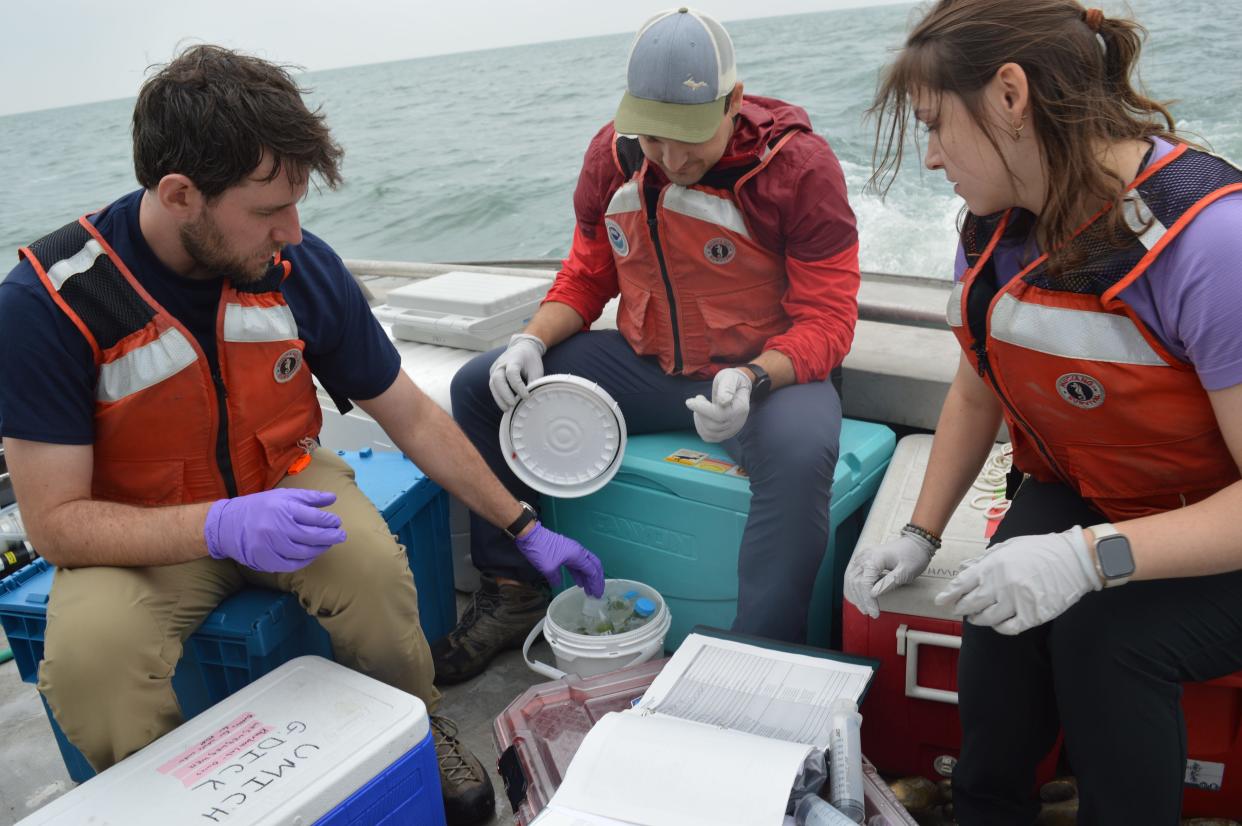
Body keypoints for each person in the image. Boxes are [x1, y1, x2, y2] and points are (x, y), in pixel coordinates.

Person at [0, 45, 604, 826]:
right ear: (181, 193)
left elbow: (410, 413)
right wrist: (216, 525)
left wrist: (521, 525)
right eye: (266, 211)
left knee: (377, 579)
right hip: (137, 527)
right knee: (90, 667)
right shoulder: (49, 303)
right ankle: (184, 806)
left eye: (297, 203)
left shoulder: (299, 266)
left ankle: (417, 728)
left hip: (283, 483)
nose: (292, 231)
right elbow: (54, 525)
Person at [845, 1, 1242, 823]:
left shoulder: (1213, 248)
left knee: (1110, 640)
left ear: (1010, 95)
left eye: (933, 126)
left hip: (1220, 523)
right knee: (996, 613)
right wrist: (920, 534)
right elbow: (975, 384)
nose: (927, 158)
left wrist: (1088, 559)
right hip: (1104, 487)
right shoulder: (993, 231)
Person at [438, 6, 860, 684]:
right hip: (646, 364)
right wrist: (529, 339)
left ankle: (753, 664)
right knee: (478, 388)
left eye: (691, 136)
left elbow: (831, 317)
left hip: (768, 378)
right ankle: (514, 591)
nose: (673, 157)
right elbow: (587, 273)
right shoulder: (612, 156)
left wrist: (754, 377)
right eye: (656, 137)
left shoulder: (798, 169)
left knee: (800, 452)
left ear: (734, 101)